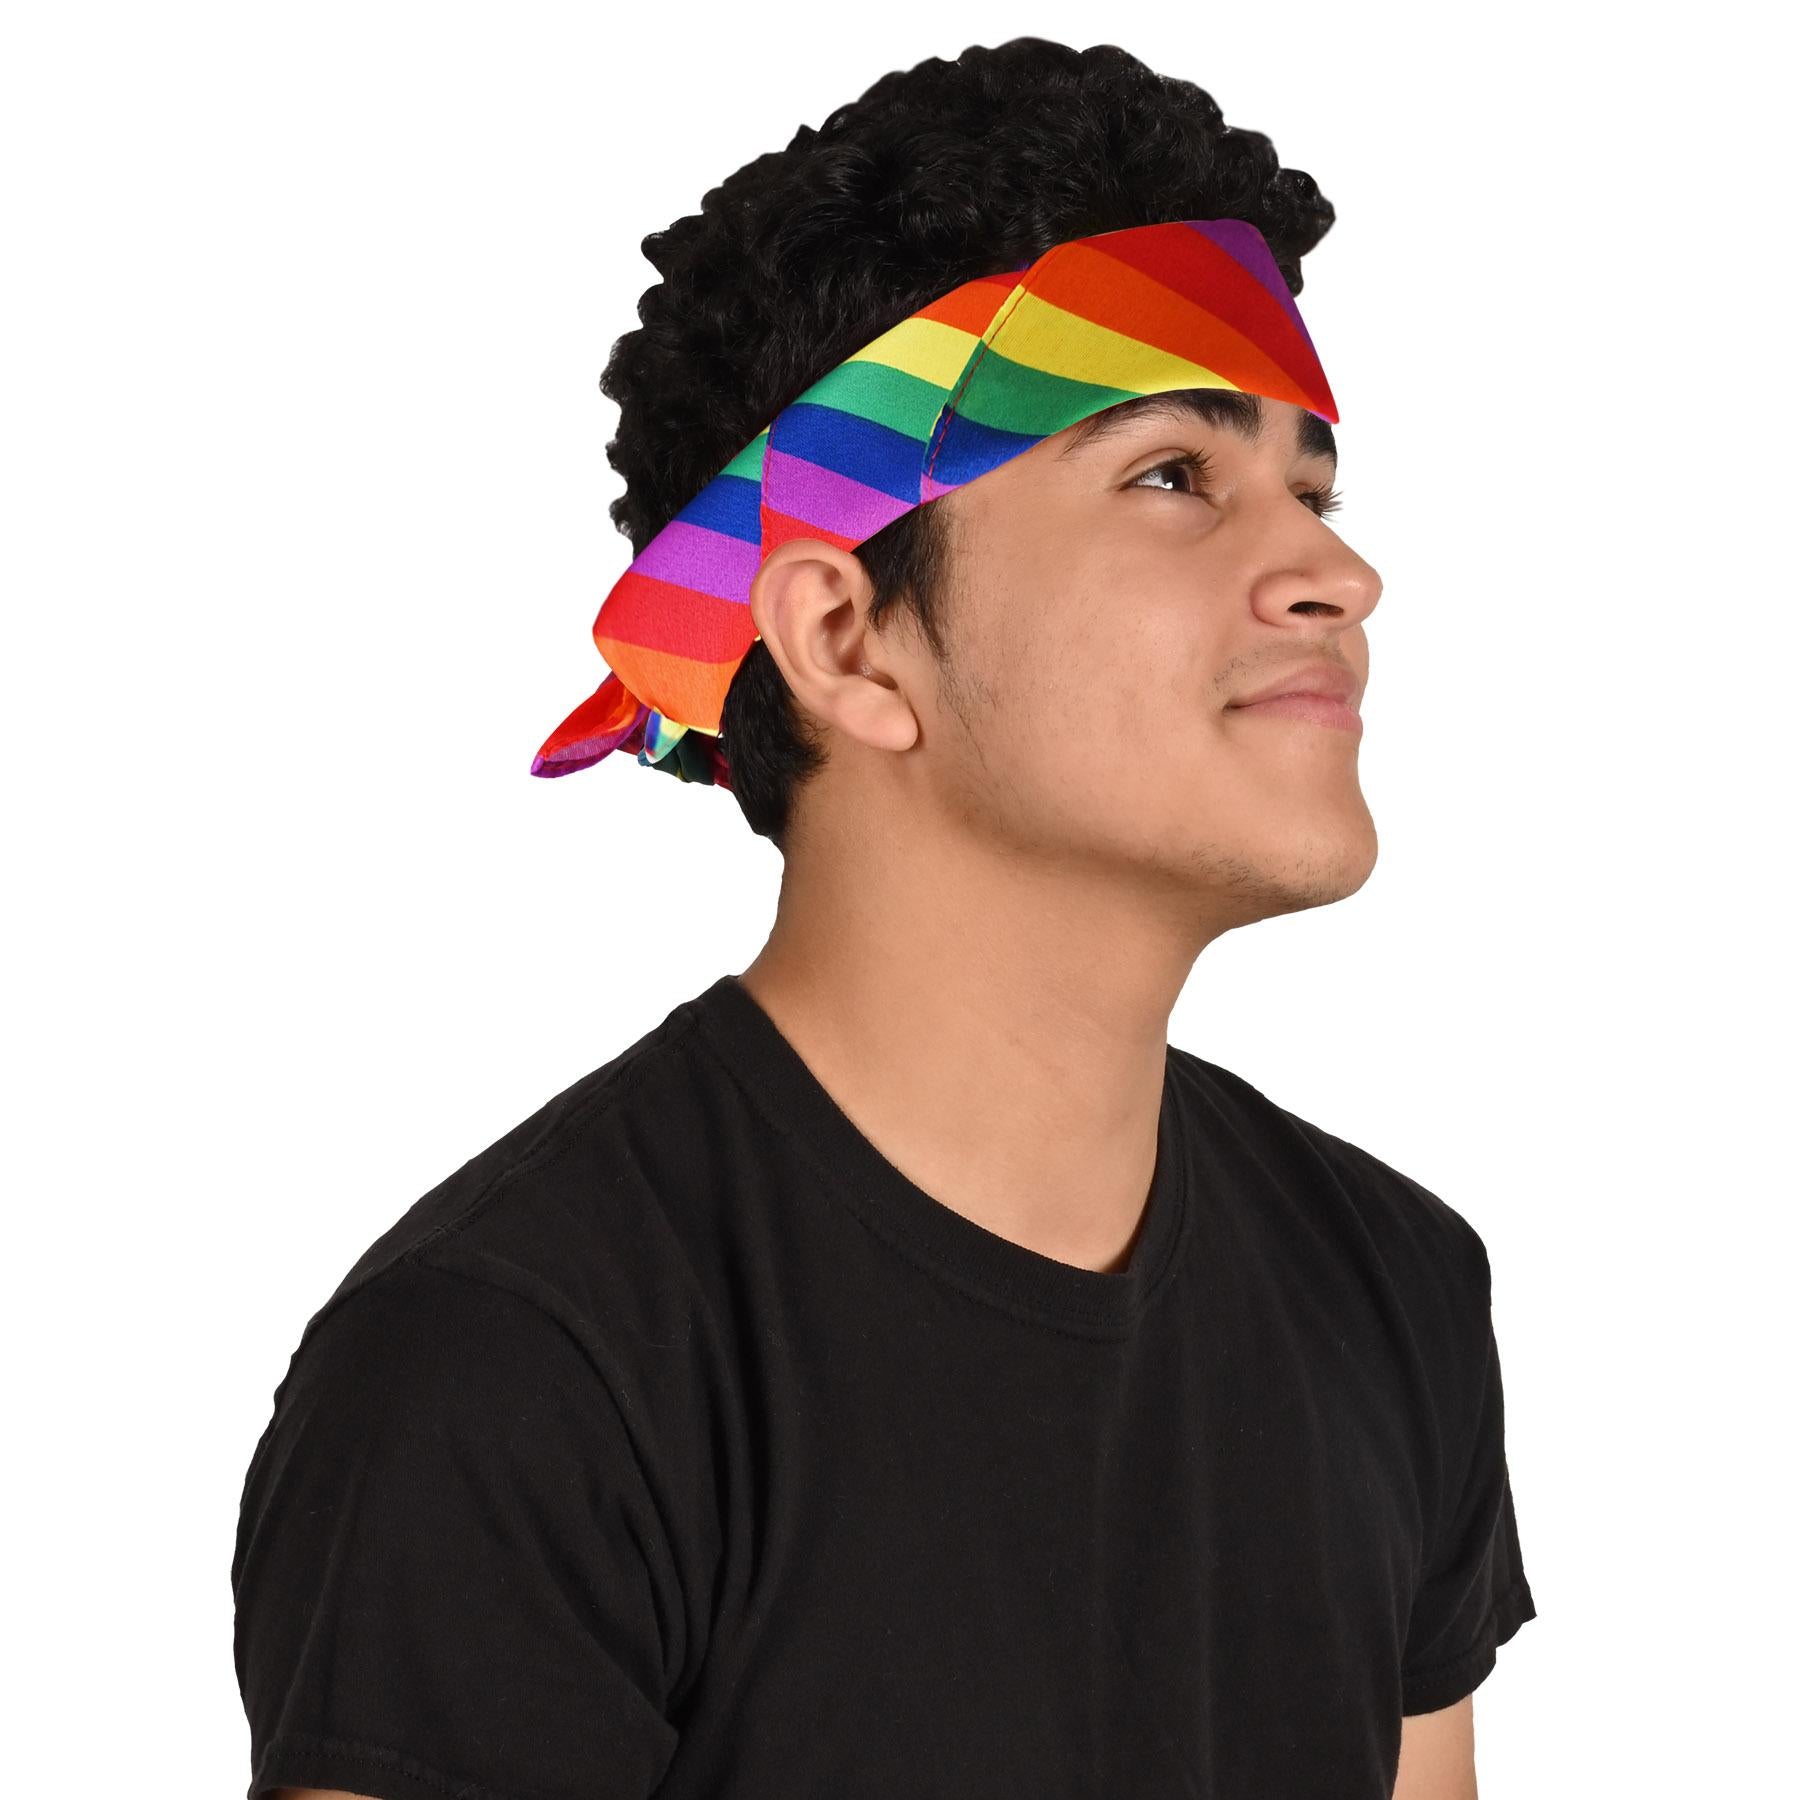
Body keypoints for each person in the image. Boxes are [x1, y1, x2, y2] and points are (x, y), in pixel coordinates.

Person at [232, 36, 1536, 1800]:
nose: (1339, 572)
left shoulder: (1391, 1292)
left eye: (1314, 492)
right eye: (1172, 475)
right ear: (845, 638)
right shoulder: (523, 1368)